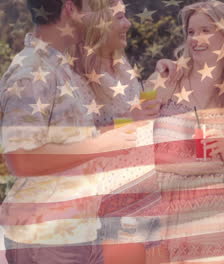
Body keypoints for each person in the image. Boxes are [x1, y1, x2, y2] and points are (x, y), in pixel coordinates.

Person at [0, 0, 138, 263]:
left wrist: (113, 131)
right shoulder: (31, 70)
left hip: (77, 231)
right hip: (48, 237)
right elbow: (21, 159)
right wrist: (101, 144)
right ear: (69, 9)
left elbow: (68, 142)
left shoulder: (58, 66)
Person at [143, 1, 224, 263]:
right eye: (191, 32)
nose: (196, 39)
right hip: (160, 201)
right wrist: (156, 91)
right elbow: (133, 123)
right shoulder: (169, 74)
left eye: (206, 30)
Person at [74, 0, 162, 263]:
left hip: (146, 192)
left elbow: (137, 115)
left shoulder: (123, 66)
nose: (128, 24)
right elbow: (75, 142)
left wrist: (158, 81)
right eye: (120, 17)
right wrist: (129, 120)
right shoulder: (77, 75)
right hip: (110, 203)